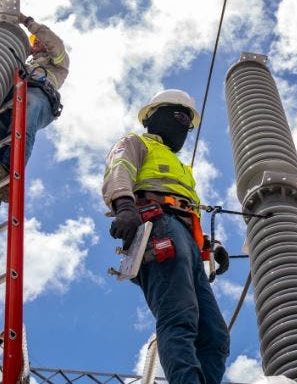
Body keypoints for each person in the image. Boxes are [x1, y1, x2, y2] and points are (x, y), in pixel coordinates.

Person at [102, 89, 230, 384]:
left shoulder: (183, 169)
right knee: (179, 318)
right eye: (180, 117)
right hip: (156, 226)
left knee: (215, 336)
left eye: (188, 122)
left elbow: (188, 210)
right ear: (156, 116)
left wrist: (211, 247)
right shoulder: (136, 142)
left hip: (186, 238)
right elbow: (119, 170)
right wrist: (124, 206)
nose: (184, 127)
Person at [0, 12, 70, 201]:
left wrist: (27, 22)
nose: (37, 43)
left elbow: (54, 43)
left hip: (40, 94)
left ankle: (8, 172)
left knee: (25, 116)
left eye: (39, 41)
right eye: (35, 41)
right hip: (13, 94)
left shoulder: (59, 63)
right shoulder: (25, 63)